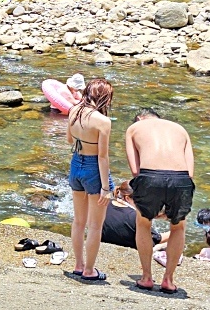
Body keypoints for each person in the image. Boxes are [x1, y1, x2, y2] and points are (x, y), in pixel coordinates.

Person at [125, 107, 195, 293]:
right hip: (181, 180)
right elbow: (190, 173)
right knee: (178, 226)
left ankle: (147, 277)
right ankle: (168, 280)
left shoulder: (133, 129)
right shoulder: (180, 129)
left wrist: (150, 200)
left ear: (140, 119)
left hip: (150, 177)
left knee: (143, 223)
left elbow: (135, 171)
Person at [67, 77, 114, 281]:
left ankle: (78, 265)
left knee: (78, 221)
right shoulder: (103, 122)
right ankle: (89, 270)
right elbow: (103, 157)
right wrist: (105, 187)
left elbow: (70, 140)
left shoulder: (73, 111)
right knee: (95, 225)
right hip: (94, 169)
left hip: (76, 164)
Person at [101, 182, 167, 250]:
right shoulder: (135, 217)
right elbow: (157, 239)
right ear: (127, 198)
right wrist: (176, 230)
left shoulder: (105, 204)